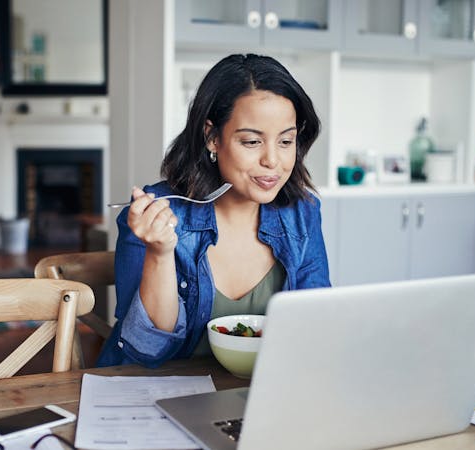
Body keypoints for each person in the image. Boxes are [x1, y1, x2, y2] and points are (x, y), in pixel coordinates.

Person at [97, 54, 331, 368]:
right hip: (159, 396)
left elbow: (316, 326)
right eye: (251, 141)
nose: (273, 161)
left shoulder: (302, 213)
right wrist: (160, 254)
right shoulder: (157, 215)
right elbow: (147, 351)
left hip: (255, 396)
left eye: (286, 140)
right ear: (212, 137)